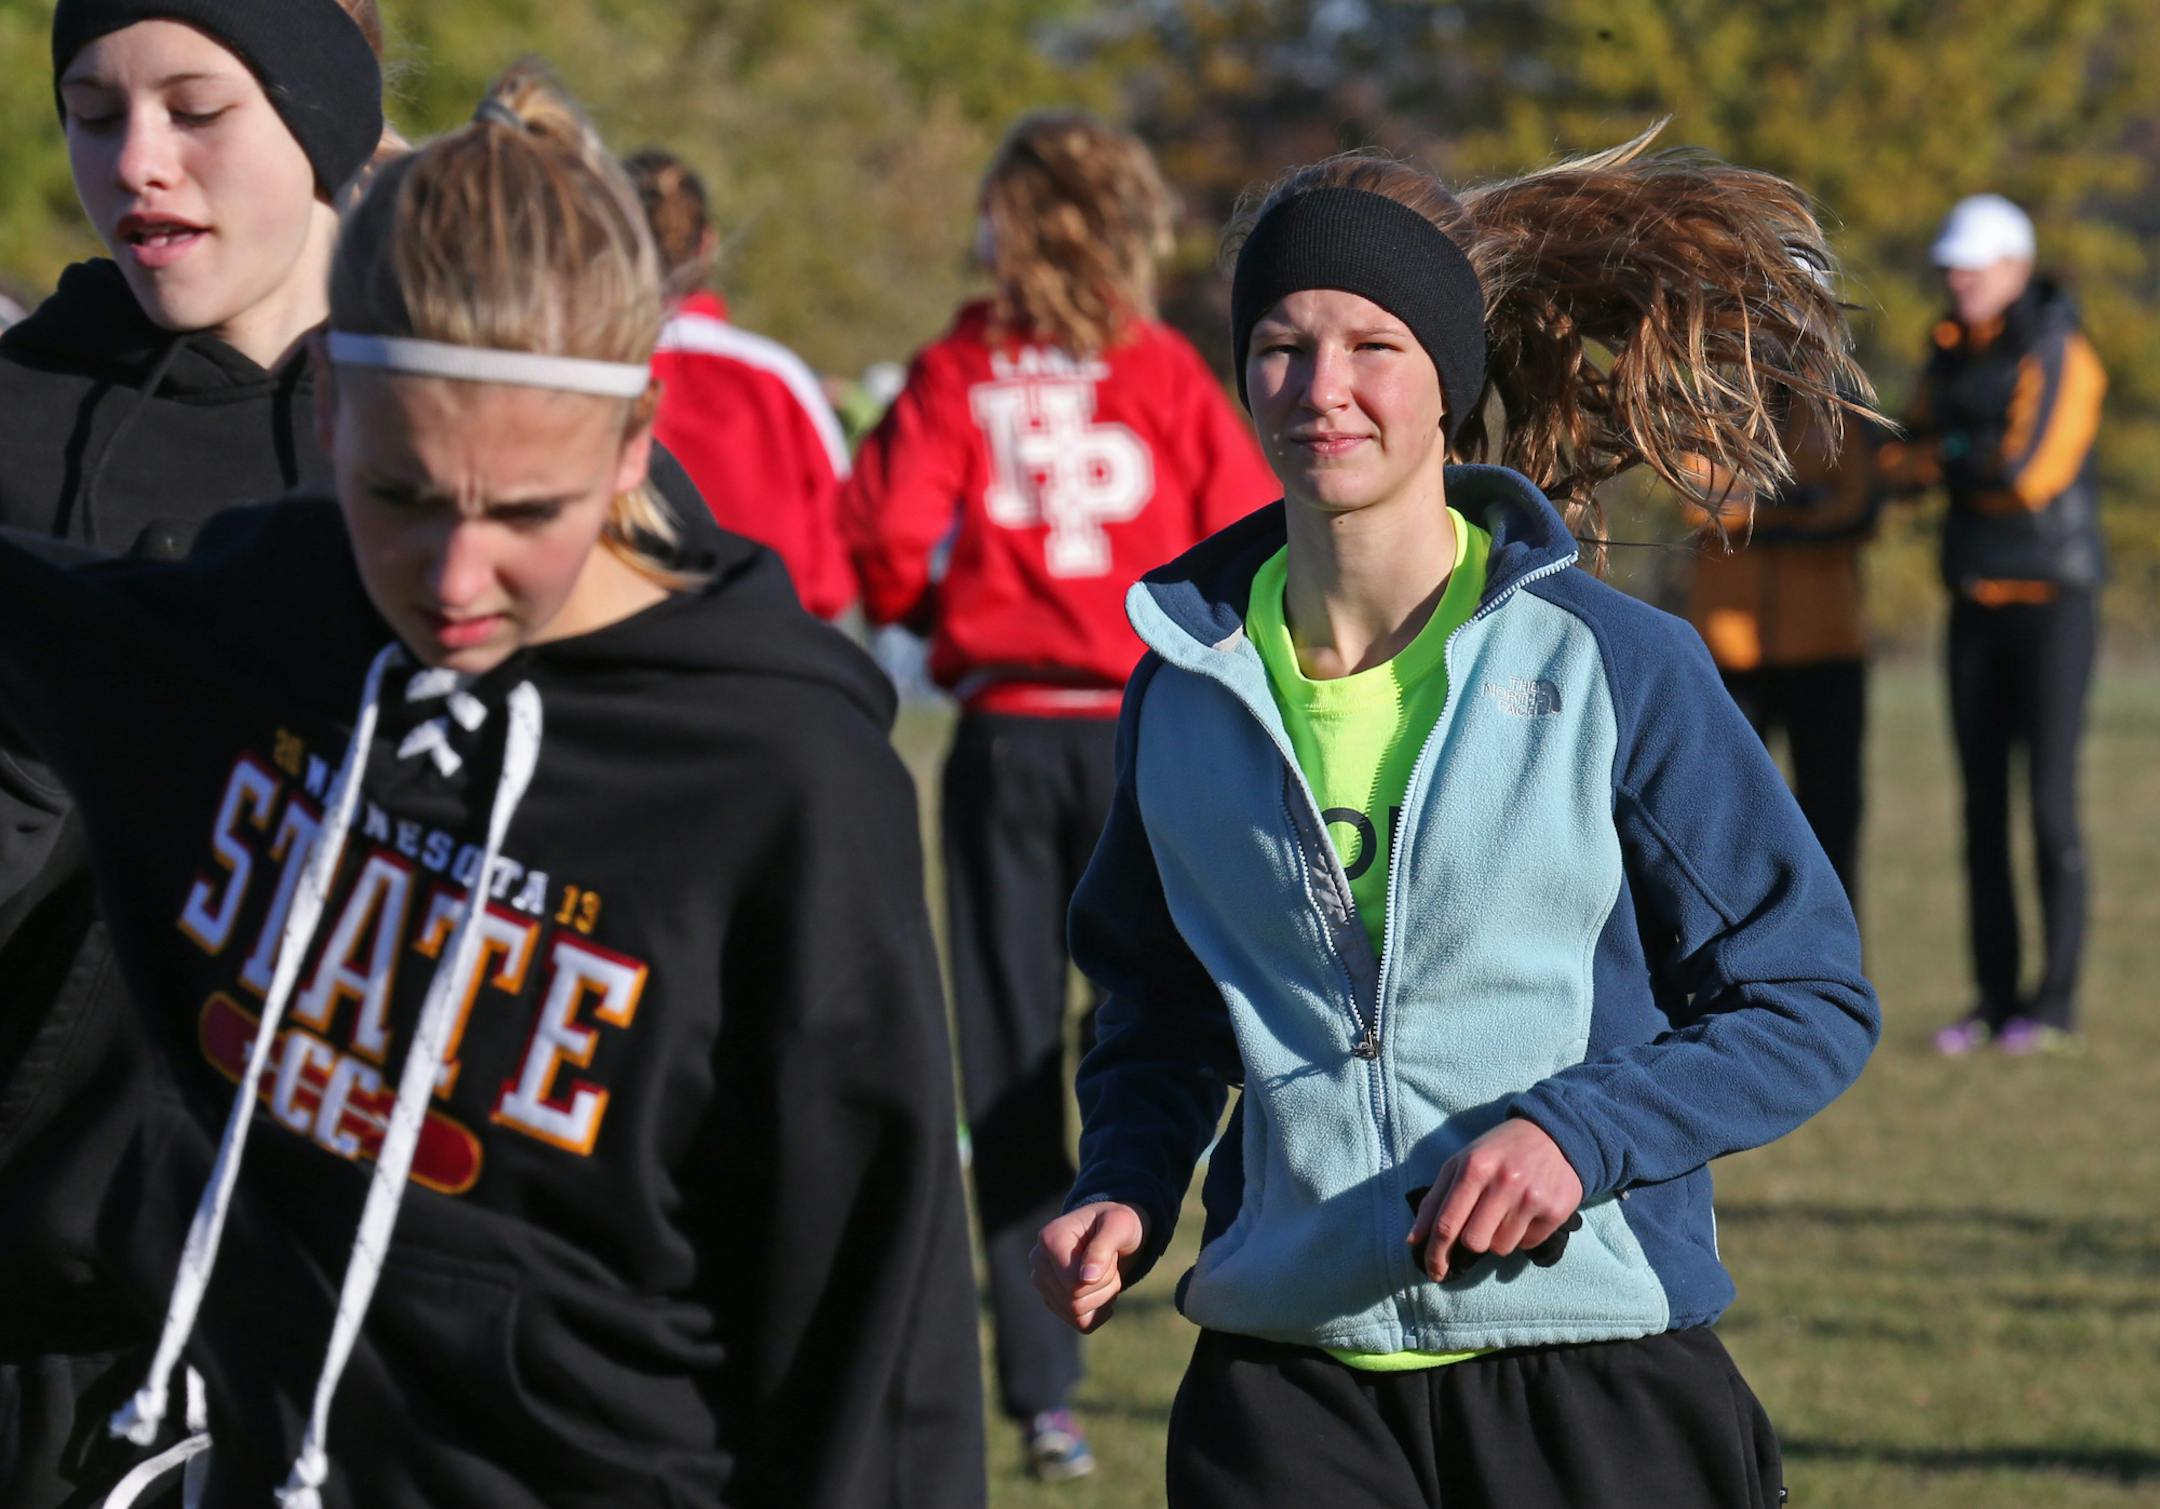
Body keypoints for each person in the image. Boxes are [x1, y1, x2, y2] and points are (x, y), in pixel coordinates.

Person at [0, 63, 983, 1509]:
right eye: (400, 497)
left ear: (634, 446)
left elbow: (869, 1327)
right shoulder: (262, 623)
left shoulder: (775, 773)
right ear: (329, 399)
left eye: (525, 511)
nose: (455, 582)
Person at [1030, 132, 1883, 1509]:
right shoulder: (1183, 691)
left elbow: (1805, 1001)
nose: (1321, 390)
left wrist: (1578, 1136)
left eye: (1374, 345)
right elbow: (1159, 1010)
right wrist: (1123, 1179)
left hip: (1591, 1371)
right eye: (1279, 346)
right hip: (1286, 1382)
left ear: (1446, 380)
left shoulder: (1618, 668)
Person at [843, 111, 1278, 1480]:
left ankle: (1044, 1387)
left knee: (1013, 1049)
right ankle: (1227, 1281)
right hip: (1151, 728)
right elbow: (1245, 534)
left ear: (1009, 223)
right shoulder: (1158, 370)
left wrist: (952, 599)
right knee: (1180, 1021)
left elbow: (884, 545)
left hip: (1006, 738)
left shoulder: (956, 367)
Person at [0, 4, 389, 1503]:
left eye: (196, 105)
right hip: (41, 1327)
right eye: (94, 114)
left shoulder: (480, 442)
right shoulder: (20, 430)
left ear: (327, 116)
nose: (138, 164)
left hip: (392, 1333)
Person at [1877, 194, 2106, 1056]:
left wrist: (1950, 457)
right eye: (1951, 266)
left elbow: (2028, 470)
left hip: (2054, 604)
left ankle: (2053, 1004)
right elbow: (1897, 462)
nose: (1957, 279)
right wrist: (1952, 455)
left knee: (2048, 805)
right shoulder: (1946, 351)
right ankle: (1994, 995)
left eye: (1972, 265)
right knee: (1978, 811)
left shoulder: (2060, 350)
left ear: (2015, 268)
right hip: (1972, 600)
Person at [626, 149, 856, 619]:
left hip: (632, 653)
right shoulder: (777, 374)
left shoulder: (598, 375)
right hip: (777, 652)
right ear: (707, 243)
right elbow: (840, 533)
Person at [1682, 396, 1881, 905]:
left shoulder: (1840, 412)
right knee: (1725, 829)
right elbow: (1702, 504)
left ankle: (1838, 972)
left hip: (1826, 647)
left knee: (1834, 826)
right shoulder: (1709, 413)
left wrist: (1758, 506)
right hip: (1729, 652)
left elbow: (1857, 507)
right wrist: (1798, 504)